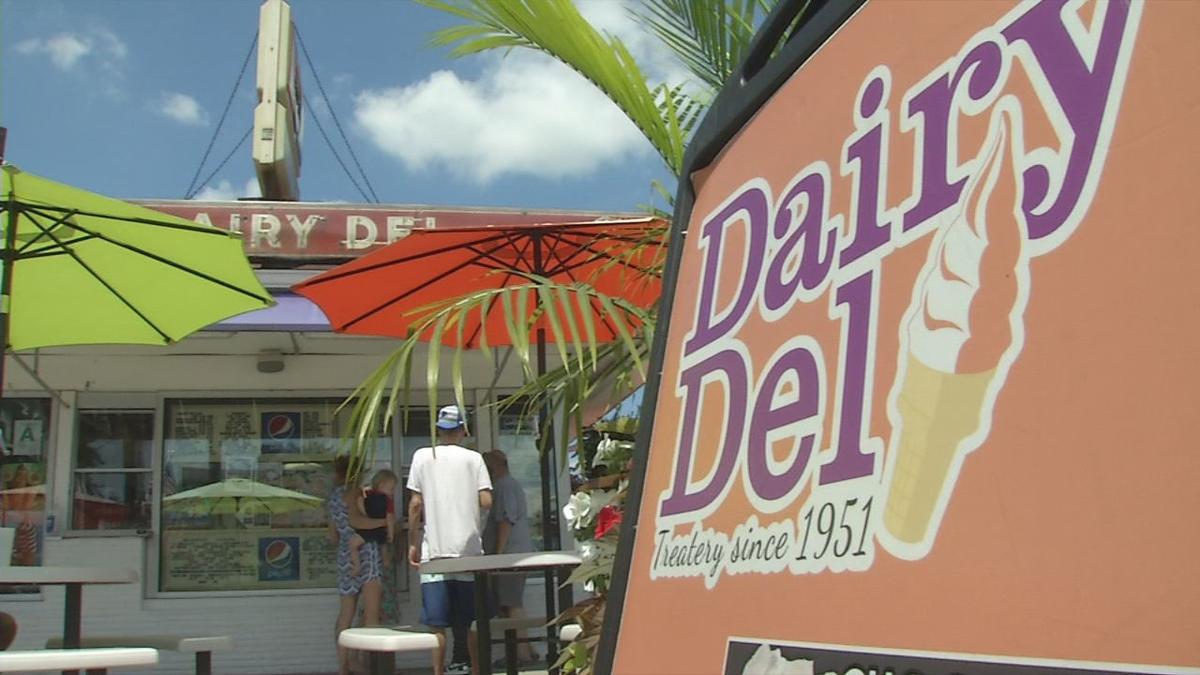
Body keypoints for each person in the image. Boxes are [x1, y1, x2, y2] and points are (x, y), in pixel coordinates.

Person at [407, 405, 493, 675]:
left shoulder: (422, 456)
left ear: (438, 430)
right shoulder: (474, 458)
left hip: (435, 552)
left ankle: (437, 671)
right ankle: (477, 669)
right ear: (464, 429)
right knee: (472, 620)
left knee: (437, 623)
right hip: (468, 551)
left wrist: (412, 541)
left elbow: (415, 504)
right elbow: (487, 500)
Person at [327, 455, 389, 675]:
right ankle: (367, 664)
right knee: (371, 614)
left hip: (345, 553)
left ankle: (344, 665)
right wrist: (385, 522)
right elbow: (356, 521)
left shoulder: (333, 496)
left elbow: (333, 535)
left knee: (346, 613)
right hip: (367, 550)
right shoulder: (355, 492)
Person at [482, 449, 538, 665]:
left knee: (511, 602)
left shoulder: (505, 486)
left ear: (496, 467)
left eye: (488, 468)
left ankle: (521, 653)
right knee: (507, 603)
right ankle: (527, 649)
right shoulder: (509, 485)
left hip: (511, 555)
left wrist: (498, 553)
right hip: (514, 553)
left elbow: (506, 519)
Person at [347, 469, 398, 577]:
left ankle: (357, 565)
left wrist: (364, 513)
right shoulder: (388, 501)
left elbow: (361, 498)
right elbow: (390, 517)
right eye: (391, 489)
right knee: (383, 545)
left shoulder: (368, 494)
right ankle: (385, 561)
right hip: (379, 530)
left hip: (367, 529)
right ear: (381, 484)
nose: (393, 492)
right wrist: (391, 533)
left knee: (352, 545)